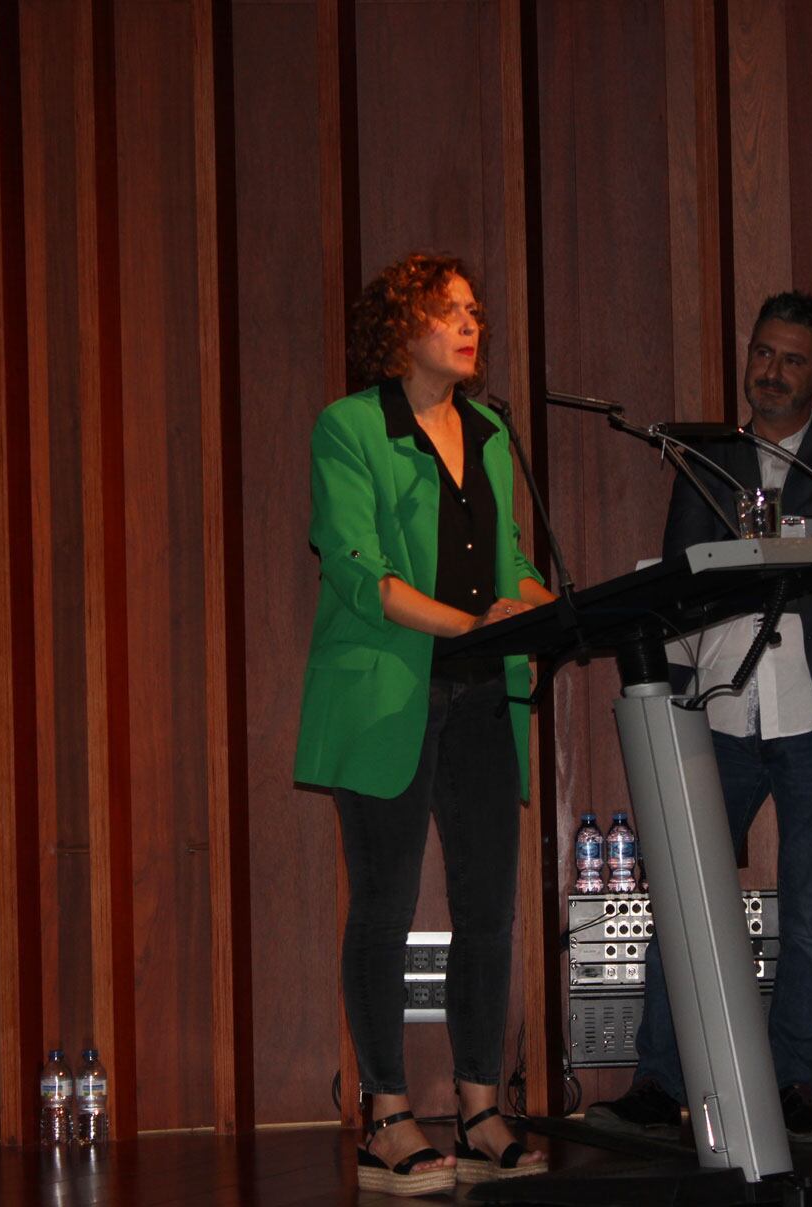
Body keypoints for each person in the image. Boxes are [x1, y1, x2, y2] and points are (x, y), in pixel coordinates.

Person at [585, 290, 812, 1145]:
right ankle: (660, 1083)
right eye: (762, 352)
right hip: (719, 710)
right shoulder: (708, 455)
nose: (771, 371)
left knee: (810, 917)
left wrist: (766, 543)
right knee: (682, 903)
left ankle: (794, 1083)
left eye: (792, 359)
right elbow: (686, 571)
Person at [295, 252, 553, 1195]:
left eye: (474, 309)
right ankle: (387, 1118)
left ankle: (481, 1110)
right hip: (388, 694)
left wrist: (546, 608)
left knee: (488, 910)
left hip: (484, 692)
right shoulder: (351, 427)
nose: (470, 323)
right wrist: (471, 625)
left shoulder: (490, 431)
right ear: (402, 329)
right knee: (386, 905)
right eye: (450, 311)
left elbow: (511, 559)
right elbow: (358, 568)